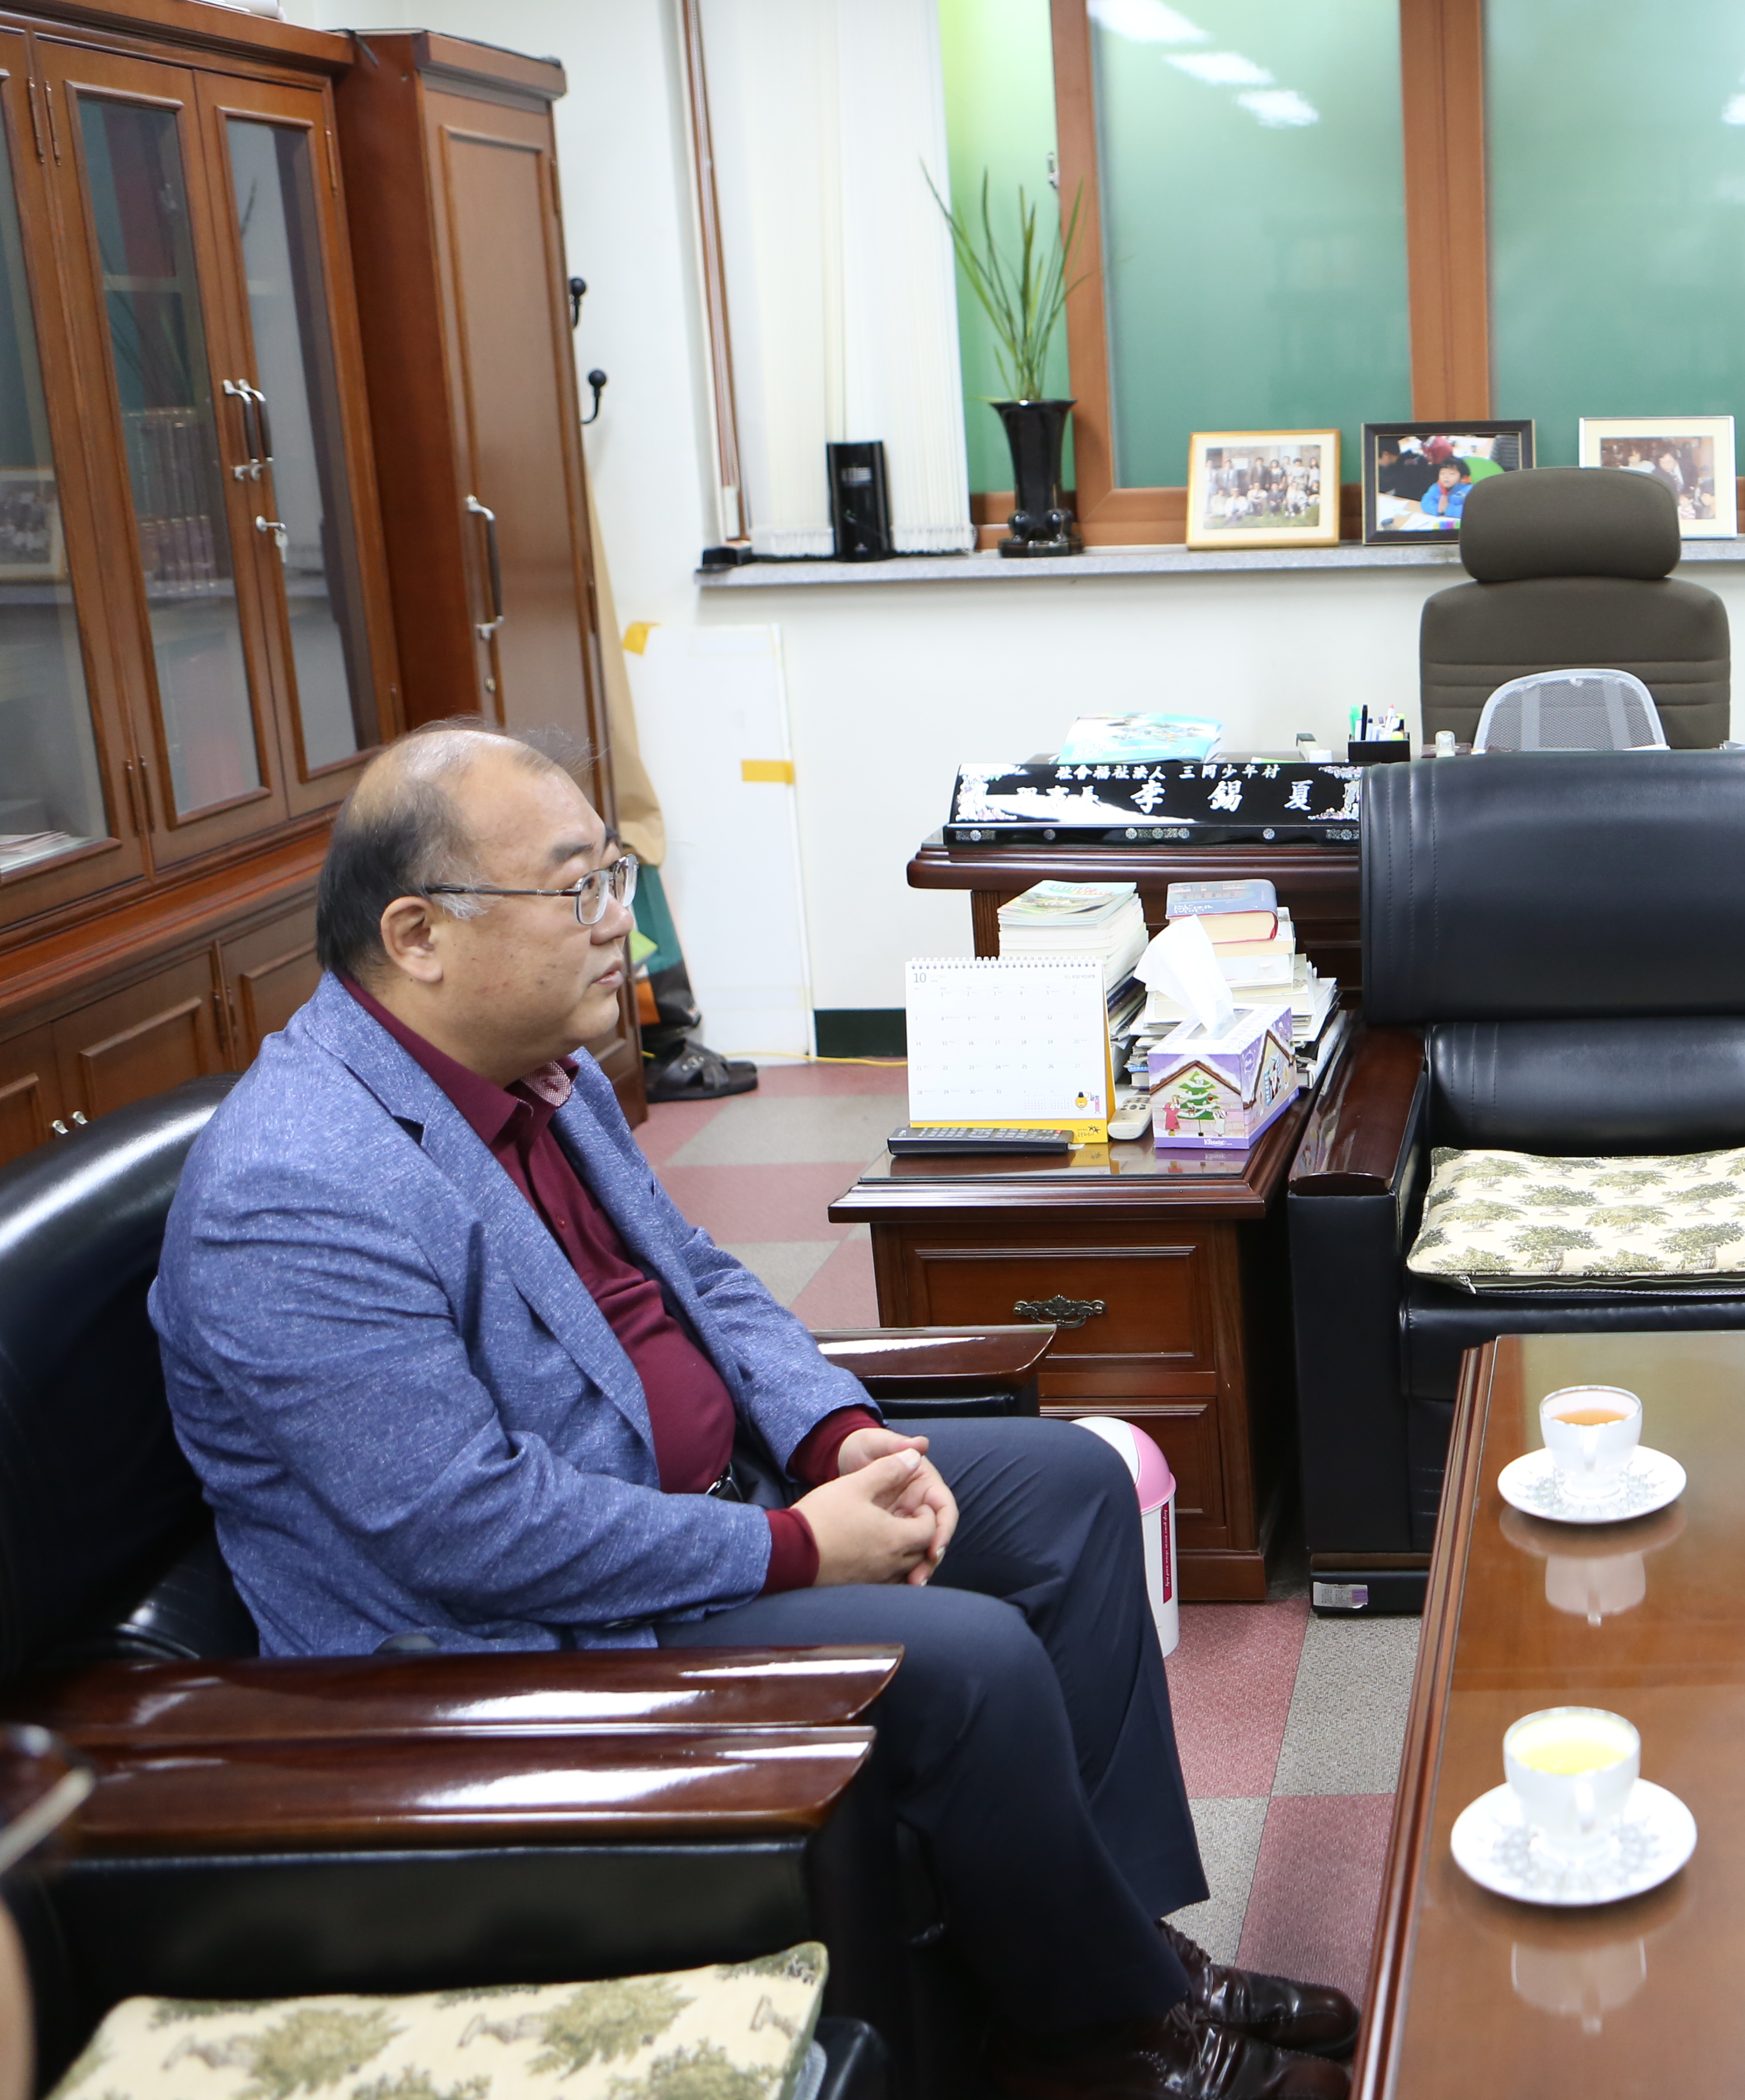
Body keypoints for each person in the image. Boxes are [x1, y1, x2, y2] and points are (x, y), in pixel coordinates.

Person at [151, 724, 1355, 2100]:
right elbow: (463, 1530)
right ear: (419, 932)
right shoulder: (296, 1186)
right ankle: (1111, 2045)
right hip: (526, 1631)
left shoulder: (539, 1075)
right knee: (966, 1661)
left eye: (614, 877)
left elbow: (706, 1286)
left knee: (1067, 1491)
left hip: (709, 1504)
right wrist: (798, 1550)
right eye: (580, 892)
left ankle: (1119, 1971)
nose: (624, 927)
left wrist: (840, 1436)